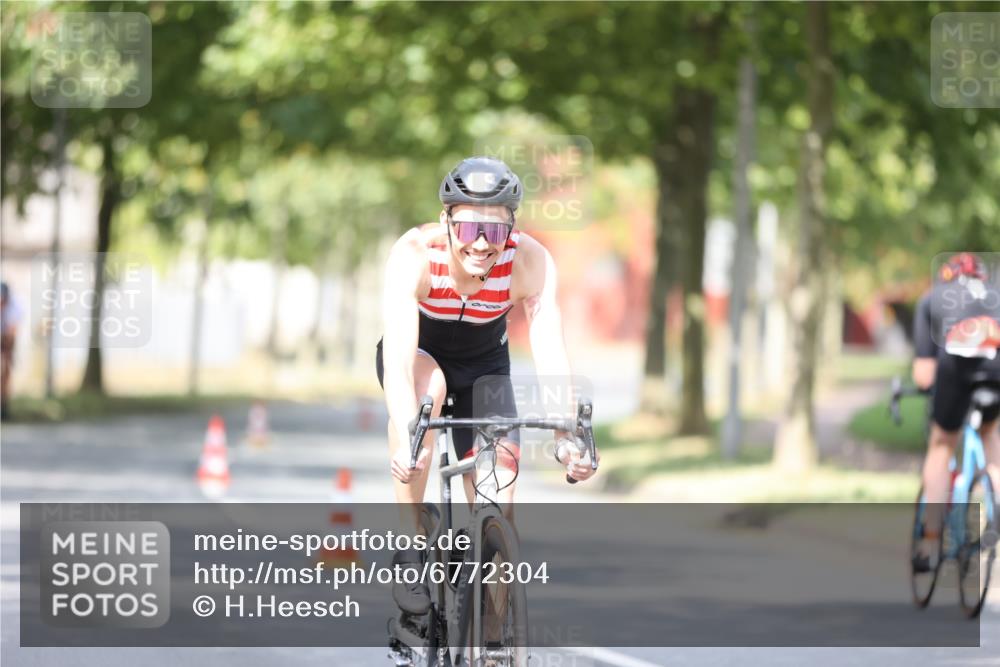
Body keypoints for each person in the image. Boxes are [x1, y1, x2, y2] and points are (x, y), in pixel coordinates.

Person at [375, 156, 598, 614]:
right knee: (427, 393)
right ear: (446, 221)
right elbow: (399, 358)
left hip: (484, 364)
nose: (480, 243)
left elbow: (549, 346)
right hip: (421, 356)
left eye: (495, 231)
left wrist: (565, 435)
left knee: (499, 499)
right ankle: (412, 546)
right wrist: (407, 437)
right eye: (468, 228)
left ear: (512, 229)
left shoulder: (530, 262)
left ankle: (493, 634)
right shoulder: (415, 254)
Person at [911, 252, 1000, 570]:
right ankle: (996, 505)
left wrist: (929, 387)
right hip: (996, 366)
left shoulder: (932, 298)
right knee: (990, 434)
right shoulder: (996, 295)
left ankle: (931, 543)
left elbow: (923, 374)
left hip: (957, 363)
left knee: (941, 445)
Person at [1, 282, 24, 421]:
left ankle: (4, 407)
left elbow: (12, 332)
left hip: (7, 340)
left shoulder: (15, 307)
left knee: (6, 371)